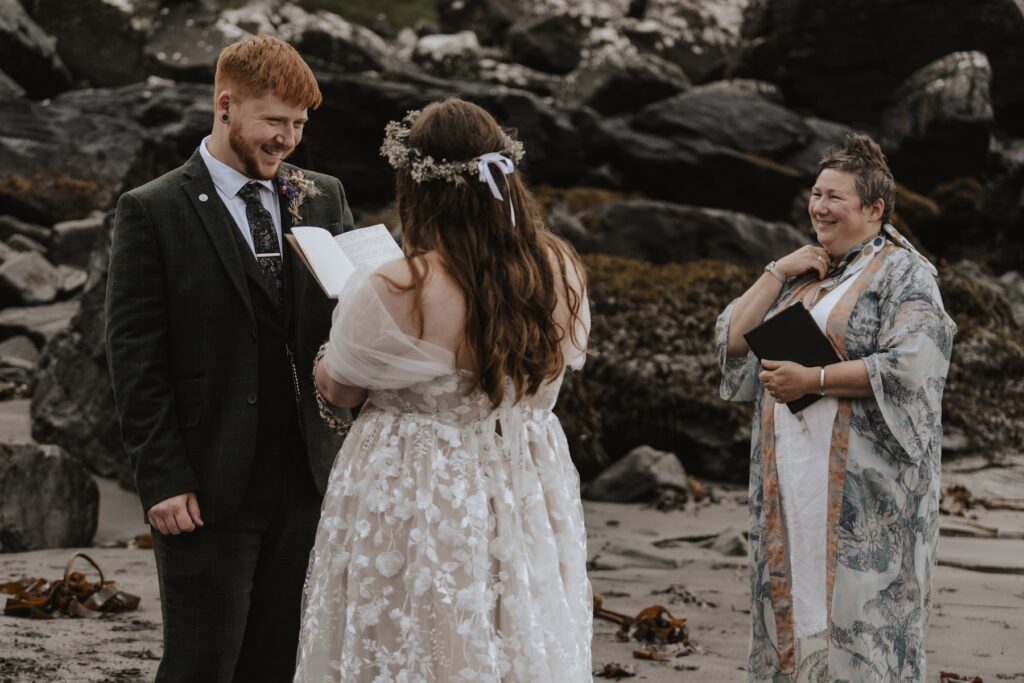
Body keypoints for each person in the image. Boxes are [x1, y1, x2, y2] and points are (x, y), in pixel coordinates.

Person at [293, 97, 593, 682]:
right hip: (522, 473)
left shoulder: (398, 282)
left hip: (418, 479)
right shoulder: (558, 266)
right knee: (510, 625)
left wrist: (328, 354)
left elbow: (342, 390)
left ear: (418, 185)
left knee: (414, 630)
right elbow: (556, 368)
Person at [105, 35, 355, 683]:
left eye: (299, 125)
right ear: (225, 106)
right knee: (200, 665)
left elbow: (350, 326)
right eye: (275, 121)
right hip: (206, 481)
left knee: (277, 664)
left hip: (306, 477)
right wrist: (160, 475)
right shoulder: (153, 210)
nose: (288, 140)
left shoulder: (323, 197)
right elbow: (135, 355)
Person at [715, 134, 956, 682]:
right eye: (817, 193)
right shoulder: (809, 269)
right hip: (793, 471)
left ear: (874, 209)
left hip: (862, 482)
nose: (819, 207)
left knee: (860, 615)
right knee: (795, 595)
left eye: (835, 198)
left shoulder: (906, 274)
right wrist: (778, 270)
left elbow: (914, 365)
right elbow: (731, 340)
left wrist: (815, 378)